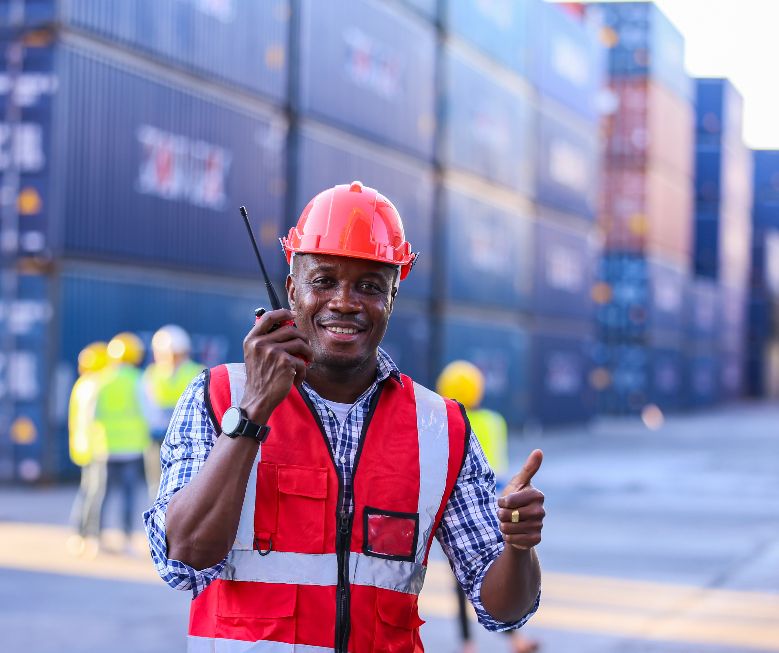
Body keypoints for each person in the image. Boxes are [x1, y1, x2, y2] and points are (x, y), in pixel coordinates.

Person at [144, 181, 546, 650]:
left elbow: (503, 610)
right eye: (324, 280)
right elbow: (183, 564)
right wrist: (252, 410)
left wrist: (519, 548)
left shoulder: (442, 427)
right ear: (292, 290)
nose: (345, 301)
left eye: (370, 286)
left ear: (393, 297)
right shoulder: (217, 397)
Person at [438, 361, 541, 653]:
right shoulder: (494, 422)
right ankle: (515, 638)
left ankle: (468, 644)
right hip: (495, 509)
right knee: (495, 575)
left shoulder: (440, 422)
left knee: (461, 582)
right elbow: (500, 471)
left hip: (448, 515)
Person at [95, 332, 150, 554]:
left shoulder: (101, 379)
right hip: (132, 448)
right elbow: (149, 412)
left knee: (102, 495)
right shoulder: (138, 380)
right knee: (129, 495)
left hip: (106, 447)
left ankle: (96, 539)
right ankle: (126, 539)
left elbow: (93, 414)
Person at [141, 325, 204, 500]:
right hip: (157, 438)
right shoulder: (153, 373)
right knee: (156, 488)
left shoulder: (196, 371)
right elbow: (147, 407)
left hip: (186, 439)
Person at [67, 341, 109, 557]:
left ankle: (78, 533)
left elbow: (73, 418)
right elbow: (97, 418)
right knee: (95, 493)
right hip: (97, 447)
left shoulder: (81, 384)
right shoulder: (98, 384)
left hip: (82, 445)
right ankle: (91, 536)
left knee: (86, 491)